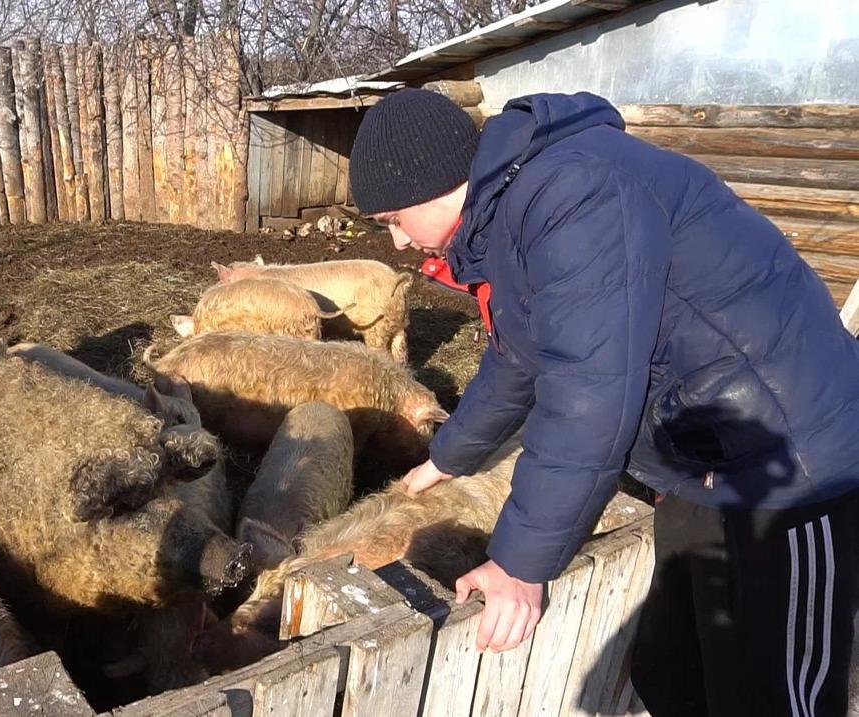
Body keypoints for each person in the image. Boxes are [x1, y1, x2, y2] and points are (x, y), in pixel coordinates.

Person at [347, 88, 859, 716]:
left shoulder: (574, 194)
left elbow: (589, 384)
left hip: (789, 459)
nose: (397, 244)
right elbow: (519, 357)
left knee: (770, 697)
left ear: (433, 182)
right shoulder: (514, 213)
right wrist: (448, 457)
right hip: (705, 456)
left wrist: (518, 566)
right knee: (673, 674)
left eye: (394, 221)